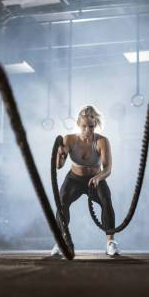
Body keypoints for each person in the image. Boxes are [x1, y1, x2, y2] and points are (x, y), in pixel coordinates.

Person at [51, 105, 119, 257]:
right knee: (62, 202)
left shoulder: (102, 141)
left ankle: (110, 243)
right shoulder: (69, 139)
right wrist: (60, 154)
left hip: (95, 179)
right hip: (74, 179)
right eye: (84, 126)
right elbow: (58, 166)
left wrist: (98, 177)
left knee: (106, 200)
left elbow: (107, 169)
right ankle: (59, 242)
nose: (87, 130)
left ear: (95, 125)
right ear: (78, 124)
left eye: (91, 126)